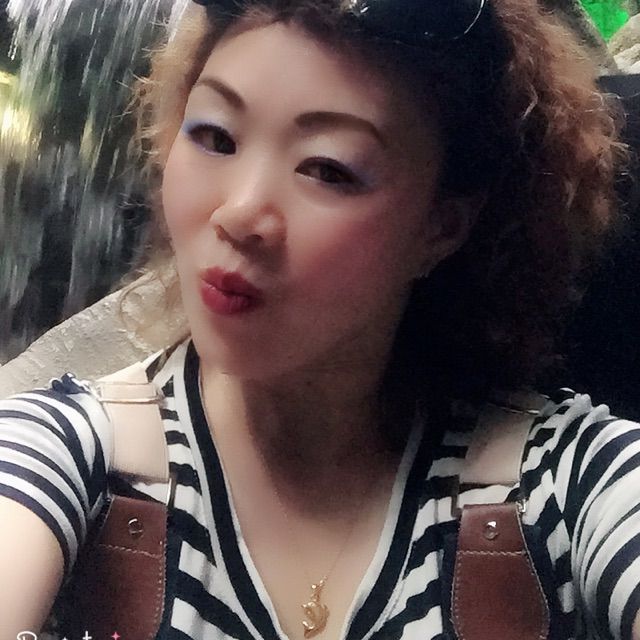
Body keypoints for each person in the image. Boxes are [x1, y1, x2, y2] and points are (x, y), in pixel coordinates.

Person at [0, 0, 639, 638]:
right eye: (215, 137)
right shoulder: (63, 453)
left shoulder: (569, 481)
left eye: (328, 169)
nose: (239, 214)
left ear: (441, 228)